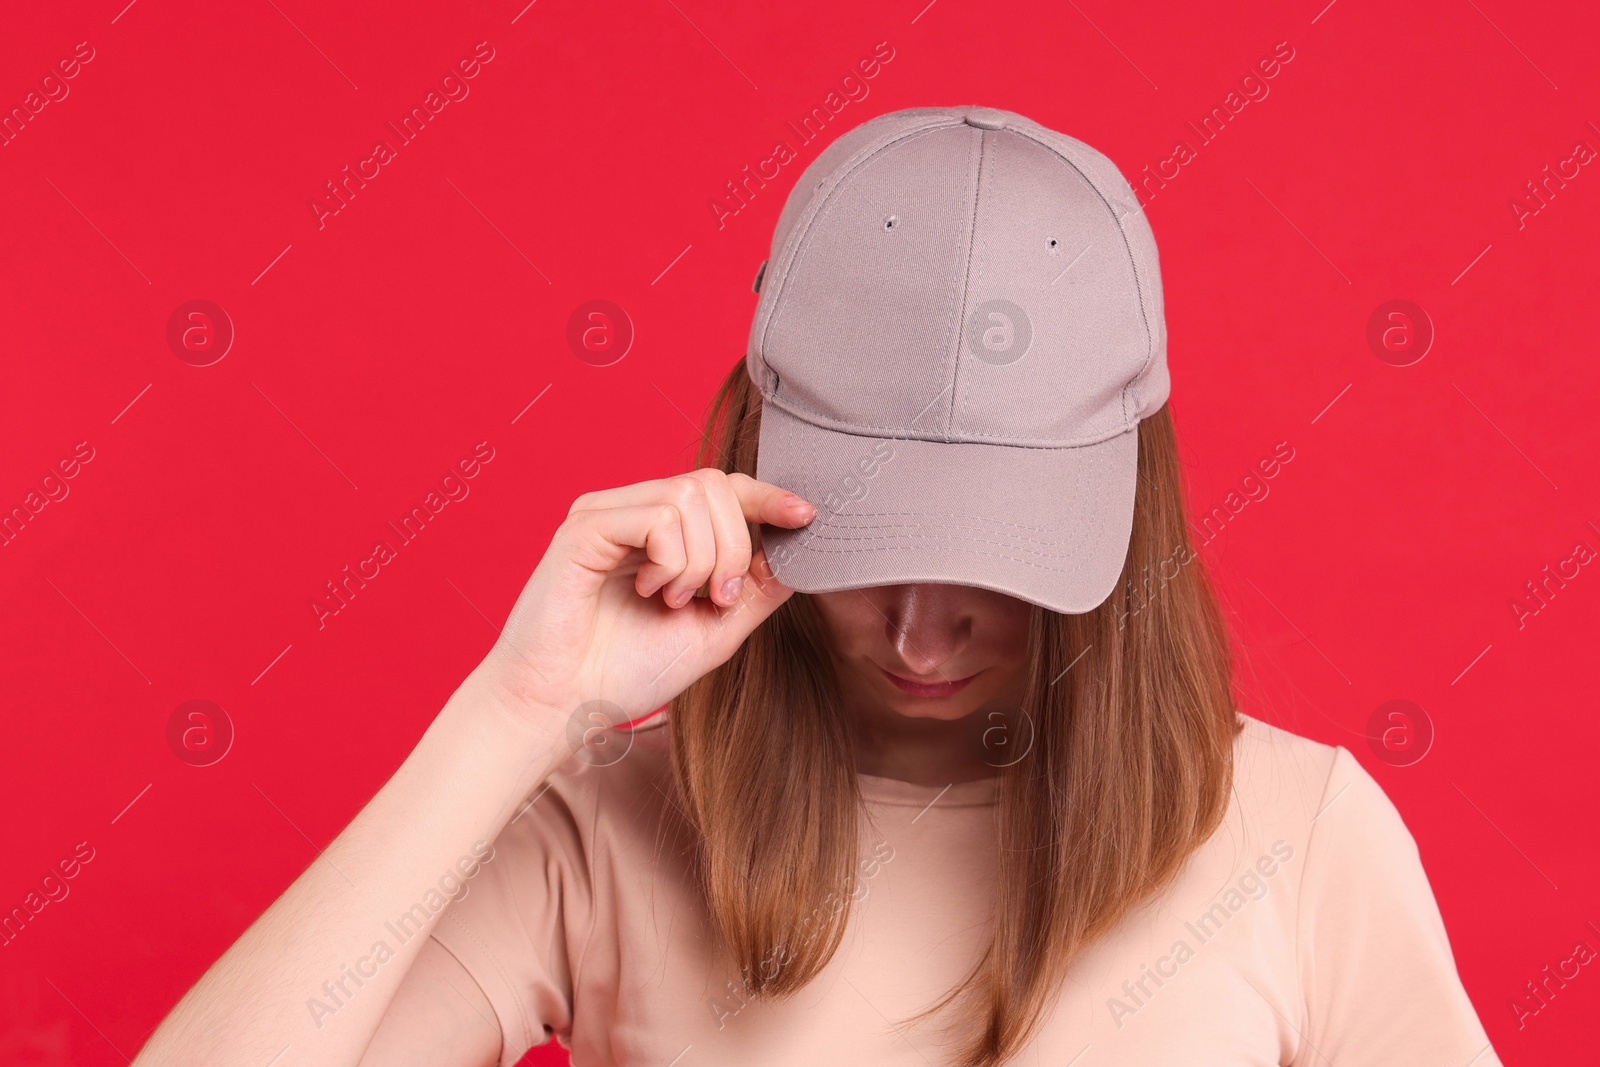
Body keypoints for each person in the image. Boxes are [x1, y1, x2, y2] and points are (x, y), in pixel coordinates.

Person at [133, 106, 1499, 1067]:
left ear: (1120, 528)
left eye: (990, 566)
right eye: (862, 549)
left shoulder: (1302, 838)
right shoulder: (609, 832)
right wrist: (519, 708)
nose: (920, 632)